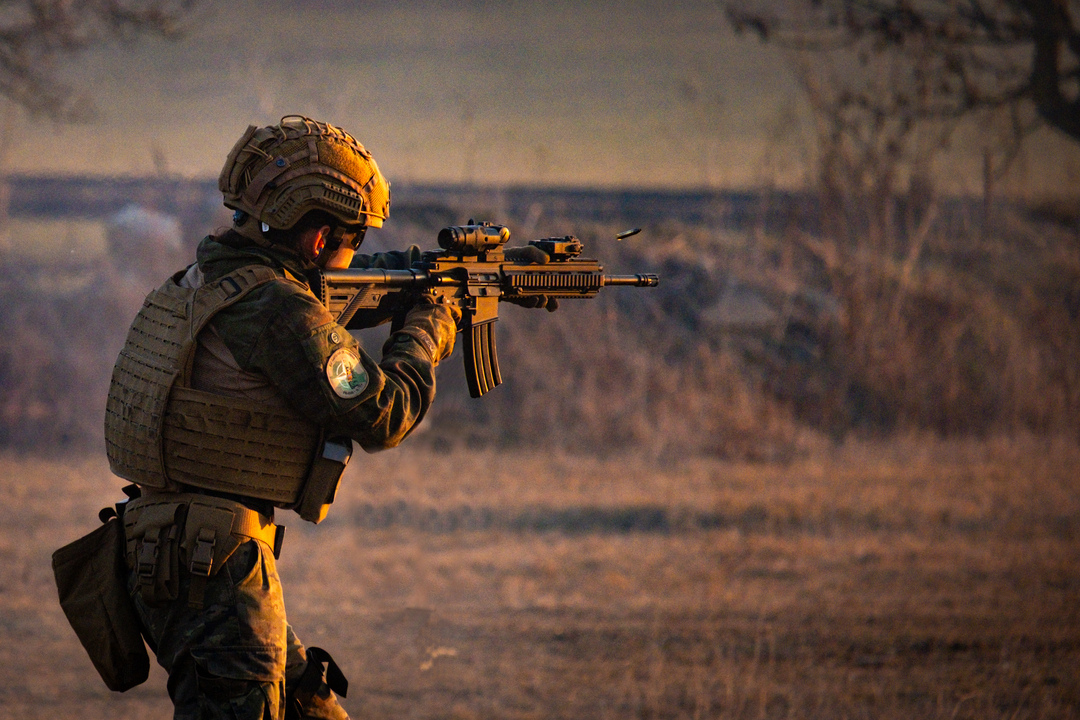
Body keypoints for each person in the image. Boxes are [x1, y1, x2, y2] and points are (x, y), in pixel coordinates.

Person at [102, 116, 461, 720]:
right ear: (318, 240)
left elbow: (329, 296)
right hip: (214, 570)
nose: (351, 259)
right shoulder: (276, 309)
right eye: (351, 243)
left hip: (173, 550)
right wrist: (427, 332)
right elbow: (383, 414)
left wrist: (426, 276)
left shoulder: (210, 277)